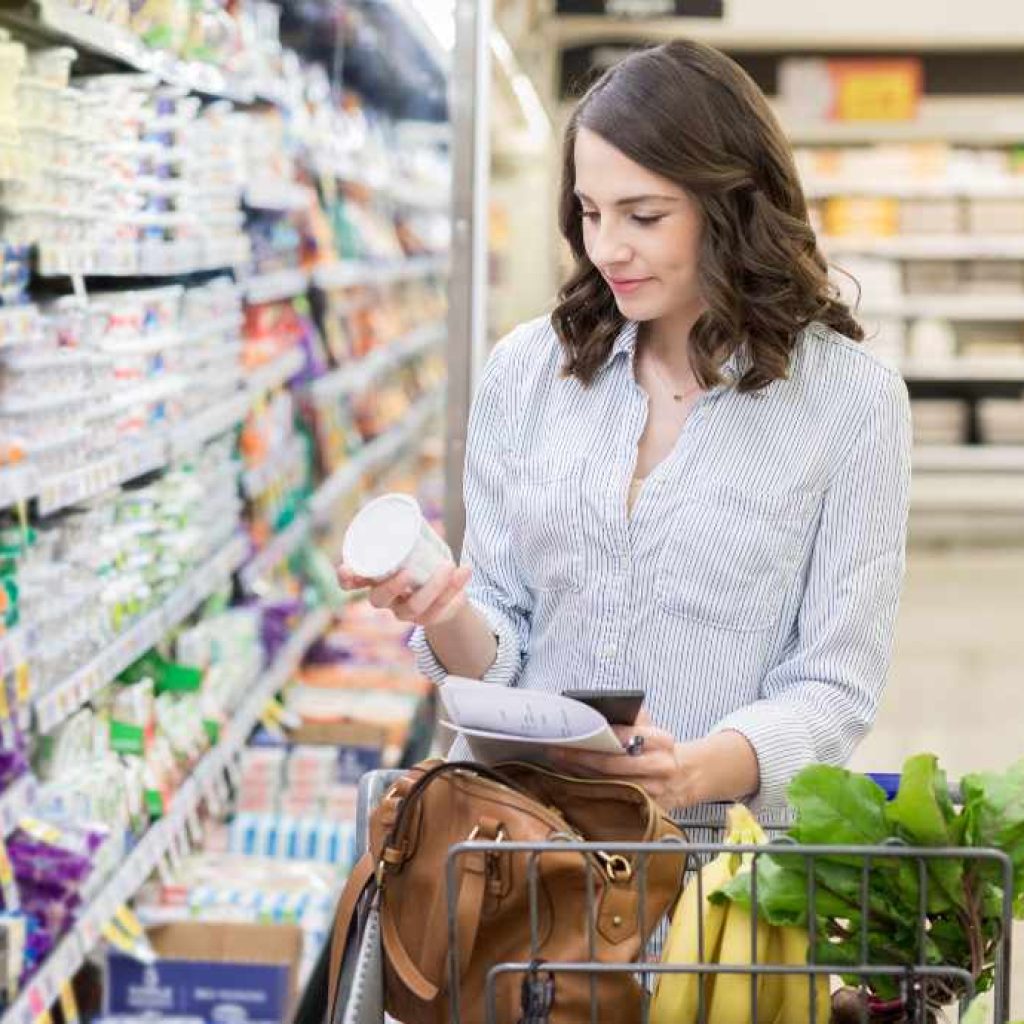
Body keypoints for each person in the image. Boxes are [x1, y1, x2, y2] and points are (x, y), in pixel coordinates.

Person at [338, 39, 912, 815]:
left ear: (733, 206)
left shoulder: (850, 402)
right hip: (521, 857)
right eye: (589, 211)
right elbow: (497, 645)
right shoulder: (529, 370)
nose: (608, 248)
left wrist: (695, 772)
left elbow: (834, 685)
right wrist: (446, 614)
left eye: (644, 216)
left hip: (709, 871)